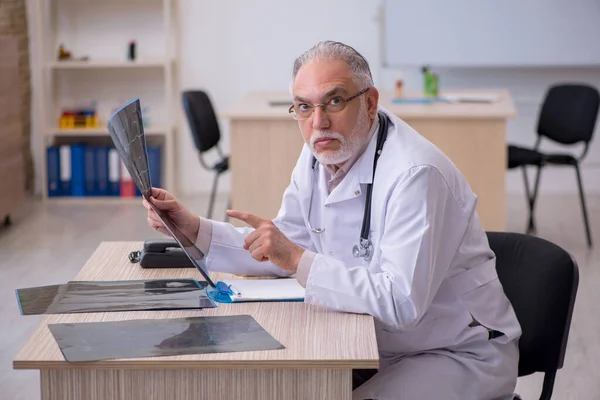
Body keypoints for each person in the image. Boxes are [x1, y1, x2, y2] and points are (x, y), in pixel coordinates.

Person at [144, 41, 521, 400]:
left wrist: (296, 259)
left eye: (334, 101)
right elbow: (281, 246)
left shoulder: (415, 174)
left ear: (370, 102)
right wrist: (194, 229)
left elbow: (401, 302)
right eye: (304, 107)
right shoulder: (318, 157)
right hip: (370, 342)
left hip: (451, 352)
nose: (318, 121)